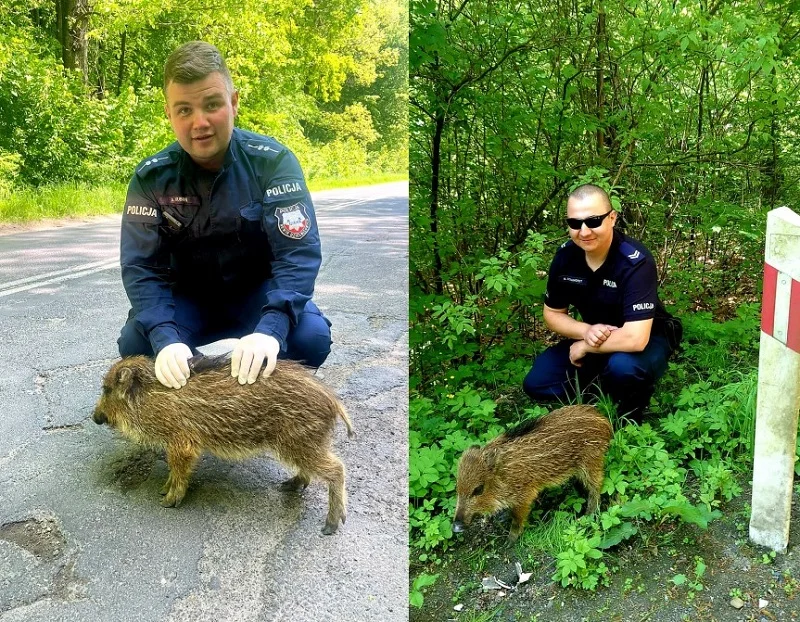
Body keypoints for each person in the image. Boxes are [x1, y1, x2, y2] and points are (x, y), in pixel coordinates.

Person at [117, 41, 331, 389]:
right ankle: (200, 374)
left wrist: (272, 330)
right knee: (136, 347)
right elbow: (141, 267)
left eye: (212, 105)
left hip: (256, 294)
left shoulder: (273, 163)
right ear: (169, 114)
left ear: (233, 102)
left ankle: (262, 389)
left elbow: (297, 253)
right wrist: (163, 337)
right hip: (187, 298)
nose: (199, 123)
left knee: (310, 338)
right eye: (184, 110)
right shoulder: (150, 178)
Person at [522, 184, 681, 420]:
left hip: (647, 337)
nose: (584, 231)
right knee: (537, 383)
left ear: (612, 218)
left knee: (624, 369)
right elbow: (553, 313)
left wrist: (585, 345)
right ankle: (602, 386)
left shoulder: (635, 261)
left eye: (594, 221)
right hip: (598, 335)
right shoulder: (565, 257)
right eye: (575, 224)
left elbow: (635, 339)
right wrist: (587, 331)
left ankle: (631, 411)